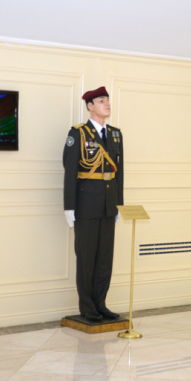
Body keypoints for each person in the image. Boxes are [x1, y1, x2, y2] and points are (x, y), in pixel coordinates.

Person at [63, 87, 123, 322]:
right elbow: (70, 171)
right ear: (90, 106)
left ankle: (101, 304)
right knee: (87, 258)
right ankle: (87, 307)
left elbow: (120, 173)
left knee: (104, 259)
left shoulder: (116, 134)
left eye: (107, 100)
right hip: (86, 204)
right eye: (101, 100)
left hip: (108, 205)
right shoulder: (78, 133)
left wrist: (119, 204)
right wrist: (69, 206)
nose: (107, 104)